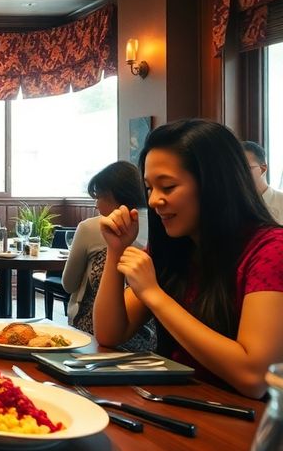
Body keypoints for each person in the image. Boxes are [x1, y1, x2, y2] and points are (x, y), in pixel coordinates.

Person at [94, 119, 283, 398]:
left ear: (215, 185)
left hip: (244, 425)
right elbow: (110, 333)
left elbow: (255, 377)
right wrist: (116, 250)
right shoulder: (175, 247)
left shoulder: (270, 251)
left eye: (168, 187)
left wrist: (154, 295)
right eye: (149, 188)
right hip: (177, 405)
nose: (155, 200)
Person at [62, 161, 155, 352]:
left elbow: (68, 284)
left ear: (113, 196)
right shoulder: (159, 228)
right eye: (152, 189)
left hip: (90, 334)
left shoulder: (91, 227)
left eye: (98, 197)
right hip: (148, 341)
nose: (96, 204)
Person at [242, 141, 283, 224]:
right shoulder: (234, 204)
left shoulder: (281, 201)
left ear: (263, 169)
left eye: (245, 168)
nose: (239, 173)